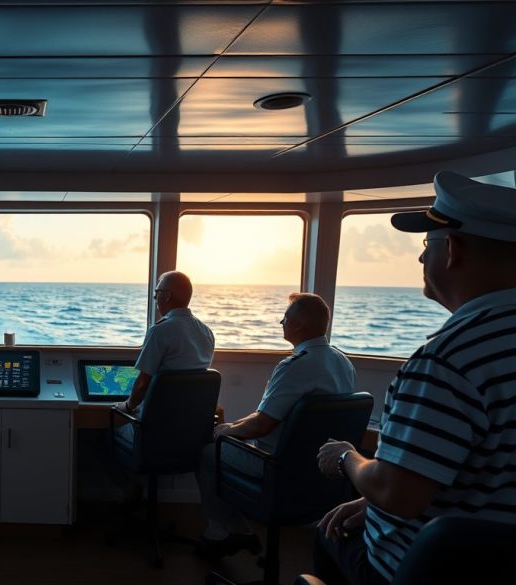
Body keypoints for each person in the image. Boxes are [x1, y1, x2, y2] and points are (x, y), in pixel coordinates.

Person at [315, 171, 516, 585]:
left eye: (427, 245)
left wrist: (347, 458)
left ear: (453, 250)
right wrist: (373, 506)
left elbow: (397, 494)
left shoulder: (449, 359)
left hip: (433, 570)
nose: (421, 260)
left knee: (327, 535)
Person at [198, 292, 355, 559]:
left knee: (207, 453)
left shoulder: (294, 366)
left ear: (298, 325)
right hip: (318, 466)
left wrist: (227, 431)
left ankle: (228, 531)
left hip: (276, 464)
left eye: (285, 317)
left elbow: (262, 425)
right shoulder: (343, 362)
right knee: (226, 437)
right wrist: (235, 425)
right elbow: (265, 415)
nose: (281, 322)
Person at [115, 270, 215, 420]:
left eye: (157, 293)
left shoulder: (159, 331)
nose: (155, 298)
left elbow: (143, 384)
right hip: (191, 423)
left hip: (157, 422)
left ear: (167, 296)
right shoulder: (206, 332)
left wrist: (127, 406)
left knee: (113, 428)